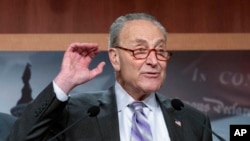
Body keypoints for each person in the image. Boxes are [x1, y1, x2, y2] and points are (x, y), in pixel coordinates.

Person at [9, 13, 212, 141]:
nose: (154, 61)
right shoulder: (77, 113)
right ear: (115, 58)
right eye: (140, 50)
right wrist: (64, 82)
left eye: (160, 50)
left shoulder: (193, 120)